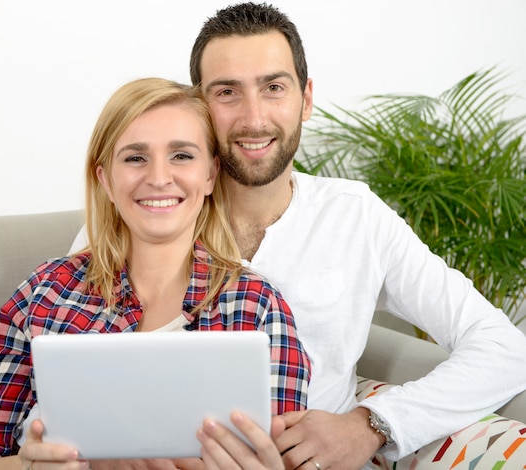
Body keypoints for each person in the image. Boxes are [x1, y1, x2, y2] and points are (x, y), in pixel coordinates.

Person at [65, 3, 526, 469]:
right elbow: (71, 367)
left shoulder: (356, 216)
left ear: (305, 99)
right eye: (227, 91)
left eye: (274, 88)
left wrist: (371, 424)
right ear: (200, 106)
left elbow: (504, 347)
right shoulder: (143, 213)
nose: (253, 117)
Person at [0, 77, 311, 469]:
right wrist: (29, 468)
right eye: (135, 158)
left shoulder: (257, 306)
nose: (159, 177)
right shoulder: (45, 293)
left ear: (211, 175)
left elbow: (283, 456)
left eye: (182, 156)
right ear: (105, 180)